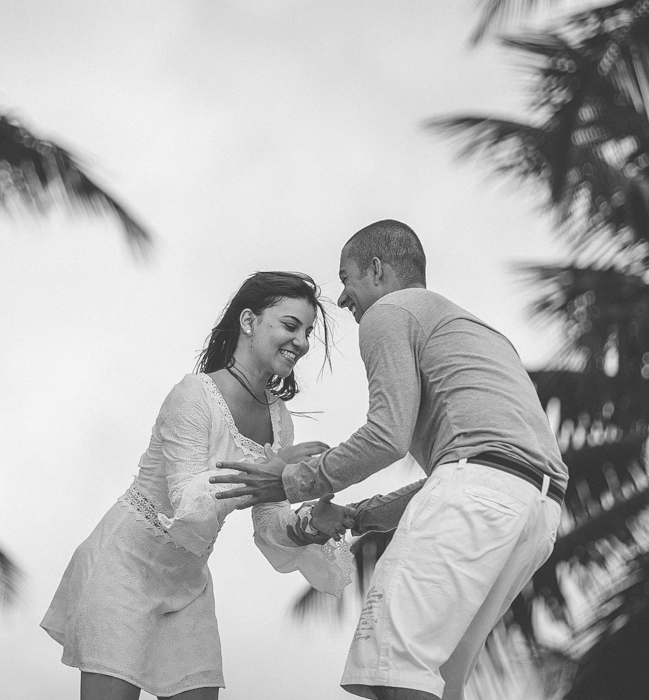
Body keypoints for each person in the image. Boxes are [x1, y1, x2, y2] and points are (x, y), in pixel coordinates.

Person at [211, 220, 568, 700]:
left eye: (346, 278)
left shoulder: (390, 311)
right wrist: (363, 515)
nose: (342, 299)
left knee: (389, 672)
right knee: (439, 684)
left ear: (376, 270)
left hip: (479, 496)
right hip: (537, 513)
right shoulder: (479, 333)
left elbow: (388, 436)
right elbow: (474, 470)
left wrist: (292, 481)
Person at [41, 271, 390, 700]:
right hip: (123, 567)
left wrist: (311, 526)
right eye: (289, 325)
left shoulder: (280, 420)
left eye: (307, 332)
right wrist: (274, 471)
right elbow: (188, 504)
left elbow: (269, 525)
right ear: (248, 322)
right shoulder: (193, 395)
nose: (300, 341)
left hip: (187, 583)